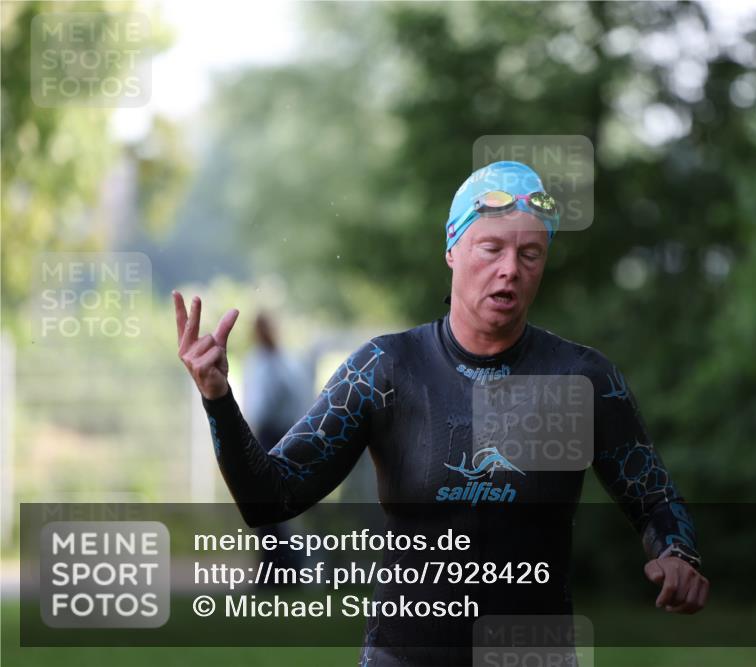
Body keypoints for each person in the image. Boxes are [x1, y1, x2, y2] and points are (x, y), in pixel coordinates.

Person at [174, 160, 709, 666]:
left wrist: (679, 555)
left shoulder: (580, 379)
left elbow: (655, 498)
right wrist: (218, 398)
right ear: (452, 248)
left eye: (530, 254)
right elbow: (269, 497)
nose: (509, 270)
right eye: (491, 248)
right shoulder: (386, 371)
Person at [242, 311, 313, 587]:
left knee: (271, 506)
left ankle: (279, 570)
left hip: (272, 436)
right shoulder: (278, 362)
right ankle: (279, 570)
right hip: (278, 435)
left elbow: (261, 407)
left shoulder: (271, 363)